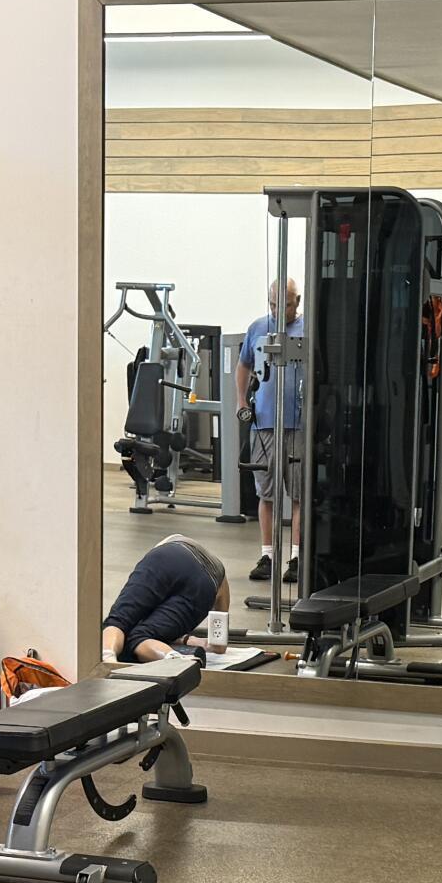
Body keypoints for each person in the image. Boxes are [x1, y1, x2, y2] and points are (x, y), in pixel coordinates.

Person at [235, 277, 303, 580]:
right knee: (267, 494)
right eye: (273, 304)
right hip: (264, 424)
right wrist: (241, 401)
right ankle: (267, 556)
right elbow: (244, 366)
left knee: (300, 494)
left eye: (285, 304)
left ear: (297, 302)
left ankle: (297, 557)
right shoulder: (257, 328)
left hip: (299, 425)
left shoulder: (307, 328)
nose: (278, 310)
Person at [103, 534, 229, 663]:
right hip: (201, 577)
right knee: (140, 636)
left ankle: (107, 658)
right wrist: (186, 639)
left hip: (164, 556)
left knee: (119, 622)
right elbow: (218, 646)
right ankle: (175, 660)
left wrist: (183, 638)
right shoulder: (218, 578)